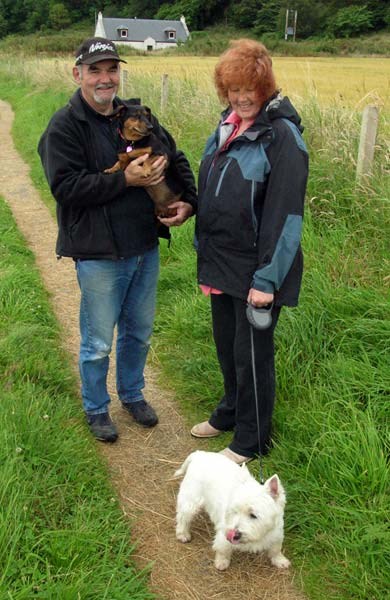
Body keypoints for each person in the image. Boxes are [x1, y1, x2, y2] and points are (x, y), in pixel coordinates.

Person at [38, 37, 196, 443]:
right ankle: (96, 408)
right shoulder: (64, 126)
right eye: (95, 70)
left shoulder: (136, 114)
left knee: (139, 331)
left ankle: (132, 394)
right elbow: (66, 188)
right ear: (78, 75)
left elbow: (174, 156)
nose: (105, 78)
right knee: (96, 340)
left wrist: (190, 202)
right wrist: (124, 179)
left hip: (143, 243)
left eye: (111, 69)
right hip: (97, 251)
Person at [190, 39, 308, 464]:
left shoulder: (283, 137)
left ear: (266, 88)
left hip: (258, 270)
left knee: (251, 354)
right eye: (233, 89)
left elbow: (286, 216)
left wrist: (267, 279)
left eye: (249, 90)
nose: (241, 98)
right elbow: (214, 187)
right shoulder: (227, 124)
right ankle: (230, 411)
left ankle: (252, 439)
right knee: (226, 346)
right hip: (221, 261)